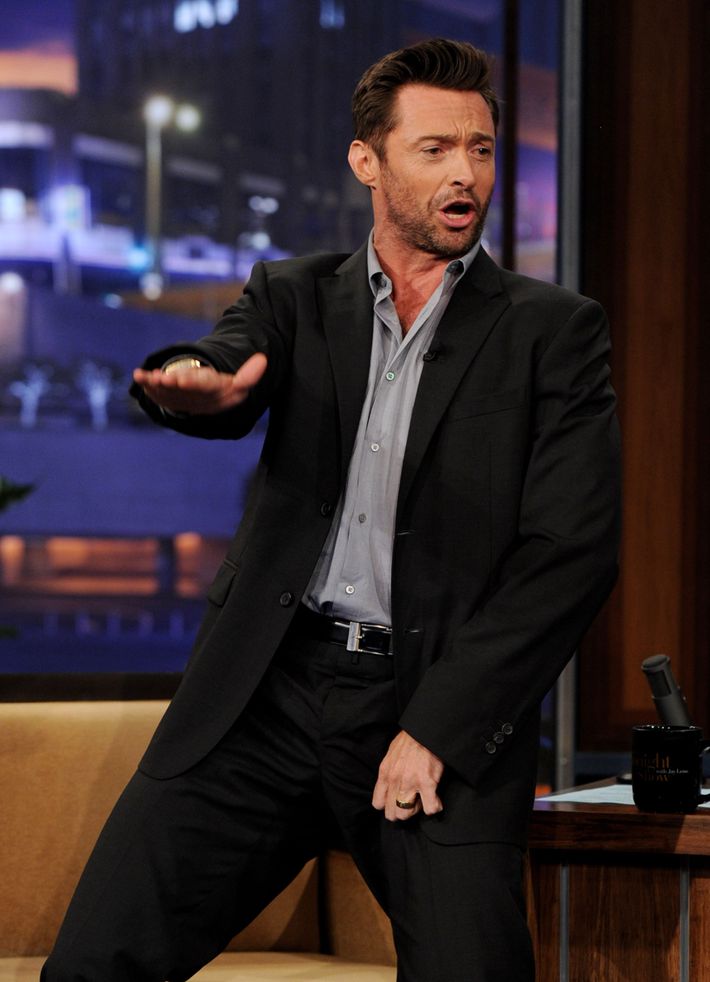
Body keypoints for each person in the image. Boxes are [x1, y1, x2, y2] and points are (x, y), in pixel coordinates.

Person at [42, 37, 620, 982]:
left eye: (480, 149)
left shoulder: (553, 331)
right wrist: (199, 383)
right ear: (368, 161)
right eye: (435, 149)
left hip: (427, 702)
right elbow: (225, 361)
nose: (465, 173)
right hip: (268, 694)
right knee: (91, 968)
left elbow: (572, 552)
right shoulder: (295, 294)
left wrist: (437, 730)